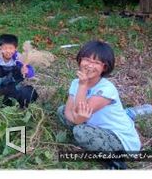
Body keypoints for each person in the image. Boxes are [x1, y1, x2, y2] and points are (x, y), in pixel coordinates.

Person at [57, 40, 141, 169]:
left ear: (104, 67)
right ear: (80, 60)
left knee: (80, 131)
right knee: (61, 111)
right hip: (92, 124)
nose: (90, 65)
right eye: (87, 60)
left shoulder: (106, 89)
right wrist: (77, 118)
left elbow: (79, 113)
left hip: (120, 140)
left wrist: (83, 86)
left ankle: (115, 162)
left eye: (96, 63)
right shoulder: (75, 83)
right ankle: (84, 137)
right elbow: (69, 110)